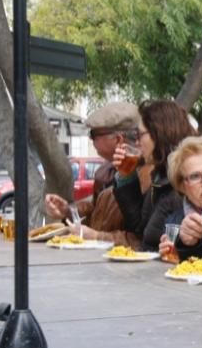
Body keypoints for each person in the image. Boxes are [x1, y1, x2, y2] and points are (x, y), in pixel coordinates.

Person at [45, 102, 151, 247]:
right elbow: (96, 209)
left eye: (94, 135)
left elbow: (141, 238)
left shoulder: (147, 176)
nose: (91, 140)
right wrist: (68, 211)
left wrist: (97, 236)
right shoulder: (105, 171)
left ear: (118, 139)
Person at [112, 99, 195, 250]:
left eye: (140, 135)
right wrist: (126, 176)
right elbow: (139, 227)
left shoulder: (186, 182)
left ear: (159, 134)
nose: (137, 142)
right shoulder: (160, 177)